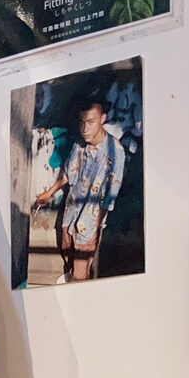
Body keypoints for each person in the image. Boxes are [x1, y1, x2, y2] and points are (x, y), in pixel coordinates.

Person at [35, 95, 125, 283]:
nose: (85, 129)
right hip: (70, 214)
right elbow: (68, 174)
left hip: (88, 223)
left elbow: (110, 198)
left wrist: (95, 228)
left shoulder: (115, 152)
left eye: (91, 122)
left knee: (80, 274)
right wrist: (49, 193)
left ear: (102, 119)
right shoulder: (79, 143)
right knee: (67, 255)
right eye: (82, 122)